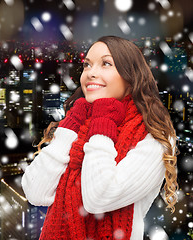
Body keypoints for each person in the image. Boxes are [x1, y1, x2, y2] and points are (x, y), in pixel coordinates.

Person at [21, 36, 178, 240]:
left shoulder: (154, 138)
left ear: (131, 77)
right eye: (87, 65)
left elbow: (99, 197)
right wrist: (69, 127)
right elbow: (36, 192)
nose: (91, 73)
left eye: (106, 64)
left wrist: (103, 121)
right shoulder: (78, 123)